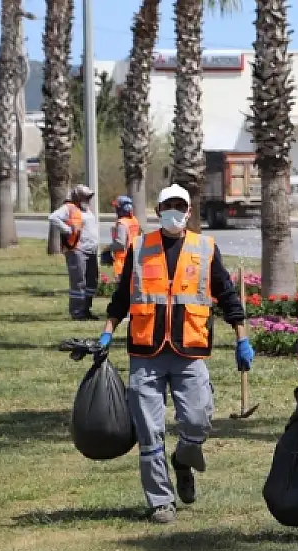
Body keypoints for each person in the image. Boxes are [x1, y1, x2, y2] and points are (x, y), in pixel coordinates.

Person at [99, 184, 254, 524]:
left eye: (179, 206)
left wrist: (242, 339)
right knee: (149, 430)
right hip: (146, 352)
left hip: (189, 351)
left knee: (198, 419)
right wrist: (107, 333)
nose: (174, 211)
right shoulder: (140, 247)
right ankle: (160, 502)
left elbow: (227, 296)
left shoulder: (205, 247)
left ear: (188, 212)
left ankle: (184, 459)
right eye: (168, 205)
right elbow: (122, 297)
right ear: (158, 210)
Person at [48, 185, 101, 320]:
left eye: (89, 196)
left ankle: (86, 309)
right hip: (77, 250)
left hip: (91, 251)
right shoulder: (69, 208)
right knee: (79, 282)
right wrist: (67, 229)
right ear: (78, 196)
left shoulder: (87, 210)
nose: (88, 199)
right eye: (85, 196)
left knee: (91, 281)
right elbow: (53, 217)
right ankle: (77, 312)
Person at [106, 195, 143, 278]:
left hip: (122, 261)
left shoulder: (122, 223)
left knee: (122, 287)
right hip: (134, 257)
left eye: (116, 207)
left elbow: (120, 244)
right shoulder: (134, 221)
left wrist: (109, 248)